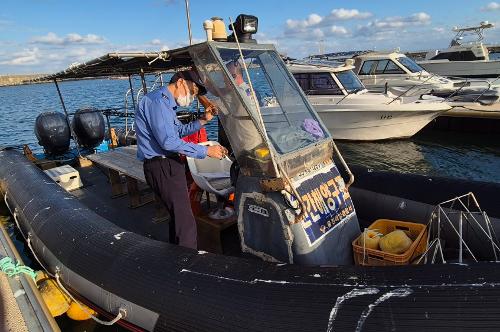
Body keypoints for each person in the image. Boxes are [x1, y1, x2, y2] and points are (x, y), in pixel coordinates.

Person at [134, 70, 227, 249]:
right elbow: (169, 142)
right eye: (193, 91)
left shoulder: (165, 104)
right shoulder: (158, 102)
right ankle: (187, 265)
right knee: (186, 224)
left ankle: (175, 256)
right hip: (162, 166)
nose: (193, 96)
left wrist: (203, 120)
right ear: (181, 82)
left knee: (178, 219)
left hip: (167, 166)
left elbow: (178, 133)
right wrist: (206, 151)